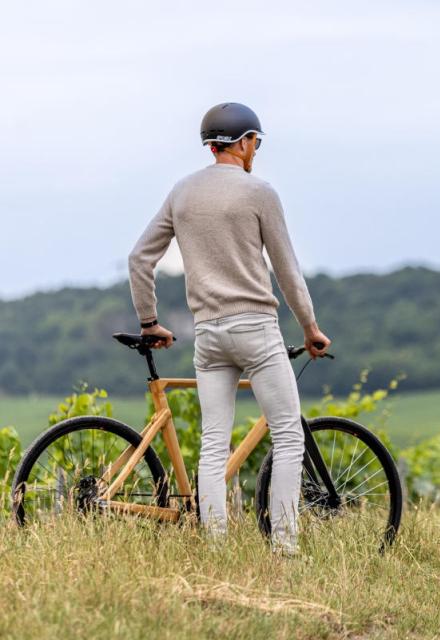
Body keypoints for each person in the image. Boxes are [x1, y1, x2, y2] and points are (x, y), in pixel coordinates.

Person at [127, 102, 331, 555]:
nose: (256, 149)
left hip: (208, 334)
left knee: (213, 444)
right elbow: (287, 271)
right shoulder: (259, 192)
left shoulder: (182, 193)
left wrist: (149, 320)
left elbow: (140, 258)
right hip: (256, 327)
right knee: (289, 433)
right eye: (255, 141)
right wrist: (311, 328)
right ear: (242, 142)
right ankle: (285, 549)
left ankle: (216, 551)